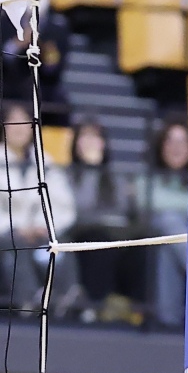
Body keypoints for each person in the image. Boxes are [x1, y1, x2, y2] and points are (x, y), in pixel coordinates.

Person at [0, 105, 72, 316]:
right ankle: (29, 301)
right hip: (0, 234)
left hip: (40, 232)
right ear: (4, 126)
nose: (19, 127)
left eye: (24, 122)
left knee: (66, 244)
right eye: (13, 121)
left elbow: (62, 205)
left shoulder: (44, 161)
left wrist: (41, 226)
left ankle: (69, 301)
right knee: (15, 244)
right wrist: (17, 228)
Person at [59, 118, 136, 322]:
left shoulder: (117, 176)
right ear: (75, 143)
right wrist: (92, 170)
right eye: (85, 137)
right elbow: (78, 208)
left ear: (104, 144)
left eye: (95, 137)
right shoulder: (67, 175)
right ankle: (93, 308)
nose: (90, 143)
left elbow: (123, 209)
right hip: (80, 236)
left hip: (116, 236)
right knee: (98, 240)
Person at [138, 119, 188, 330]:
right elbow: (147, 202)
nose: (176, 148)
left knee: (169, 248)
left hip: (181, 242)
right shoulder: (147, 176)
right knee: (169, 220)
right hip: (150, 237)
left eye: (182, 141)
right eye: (170, 141)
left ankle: (168, 320)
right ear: (161, 146)